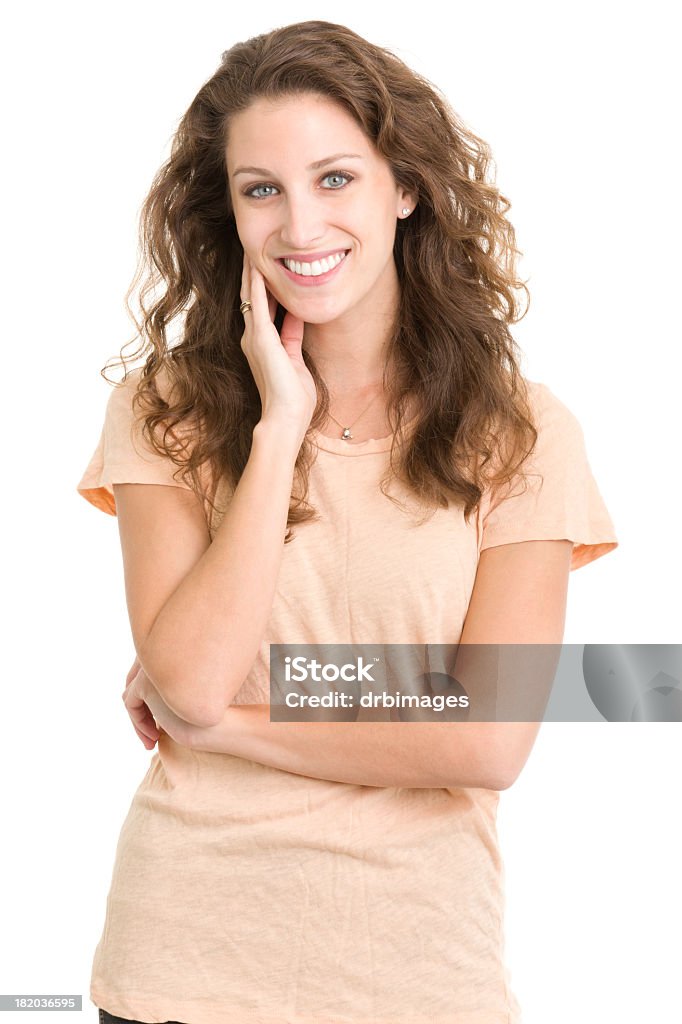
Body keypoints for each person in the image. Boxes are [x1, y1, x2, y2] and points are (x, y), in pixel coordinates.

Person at [76, 18, 619, 1024]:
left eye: (334, 179)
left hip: (416, 975)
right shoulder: (167, 410)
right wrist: (280, 429)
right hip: (181, 959)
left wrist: (228, 719)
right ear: (226, 210)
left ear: (403, 188)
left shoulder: (522, 431)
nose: (297, 226)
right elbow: (189, 674)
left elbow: (489, 737)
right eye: (260, 189)